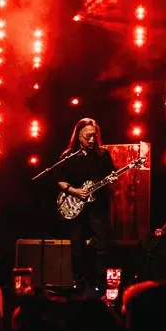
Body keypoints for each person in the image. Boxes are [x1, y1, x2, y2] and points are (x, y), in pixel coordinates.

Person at [55, 119, 114, 296]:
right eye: (88, 136)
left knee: (101, 245)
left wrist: (112, 179)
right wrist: (74, 191)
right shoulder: (68, 156)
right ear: (78, 135)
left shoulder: (102, 155)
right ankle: (78, 282)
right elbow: (60, 179)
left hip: (97, 206)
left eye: (94, 136)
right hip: (75, 205)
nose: (92, 140)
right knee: (77, 246)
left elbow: (110, 174)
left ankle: (100, 284)